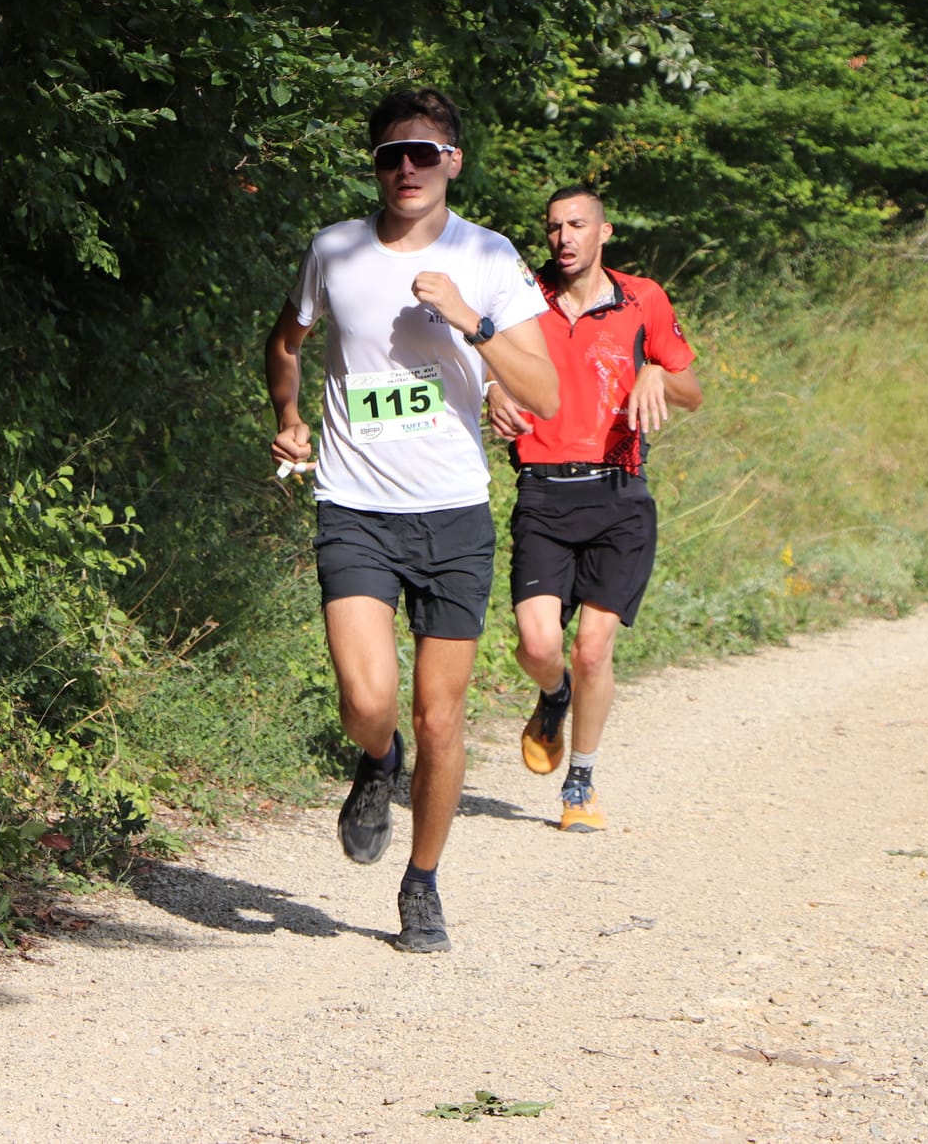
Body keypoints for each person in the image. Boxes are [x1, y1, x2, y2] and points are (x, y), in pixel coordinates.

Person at [264, 88, 558, 953]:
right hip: (354, 504)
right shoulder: (336, 249)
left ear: (452, 162)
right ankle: (377, 761)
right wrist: (286, 415)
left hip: (453, 514)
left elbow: (543, 392)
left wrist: (474, 323)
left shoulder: (489, 255)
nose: (406, 168)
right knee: (369, 701)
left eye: (423, 153)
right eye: (391, 154)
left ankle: (422, 881)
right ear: (377, 164)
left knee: (440, 717)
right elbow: (284, 341)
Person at [484, 184, 703, 832]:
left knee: (592, 647)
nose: (564, 237)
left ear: (604, 232)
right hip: (545, 490)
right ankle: (553, 697)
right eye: (554, 227)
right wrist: (493, 385)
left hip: (618, 493)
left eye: (577, 224)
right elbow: (478, 354)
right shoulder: (524, 298)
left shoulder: (646, 300)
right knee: (537, 643)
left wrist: (659, 375)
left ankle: (580, 783)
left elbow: (691, 388)